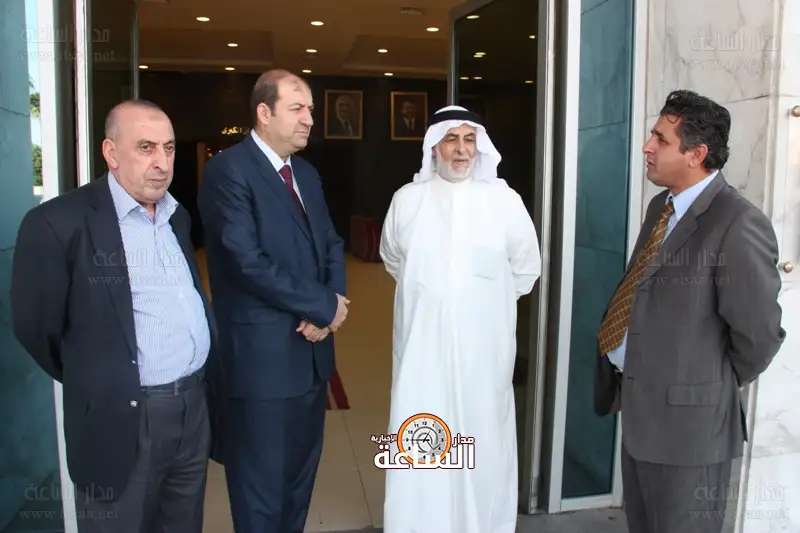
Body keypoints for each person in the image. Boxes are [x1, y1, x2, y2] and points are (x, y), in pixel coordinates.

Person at [11, 99, 220, 533]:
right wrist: (103, 379)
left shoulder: (176, 216)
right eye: (146, 147)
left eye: (168, 148)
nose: (161, 162)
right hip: (122, 420)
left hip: (191, 409)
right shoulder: (58, 222)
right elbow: (38, 330)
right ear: (110, 152)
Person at [594, 90, 786, 533]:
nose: (647, 147)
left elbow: (759, 335)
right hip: (641, 416)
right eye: (652, 135)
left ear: (696, 154)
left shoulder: (737, 222)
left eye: (661, 139)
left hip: (691, 433)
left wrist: (706, 382)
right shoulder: (660, 207)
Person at [197, 69, 348, 533]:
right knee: (260, 489)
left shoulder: (306, 173)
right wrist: (321, 306)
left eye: (311, 110)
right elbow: (247, 262)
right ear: (264, 113)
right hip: (260, 364)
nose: (309, 120)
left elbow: (330, 243)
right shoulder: (228, 171)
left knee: (299, 481)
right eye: (297, 108)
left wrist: (331, 304)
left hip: (311, 359)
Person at [379, 105, 542, 533]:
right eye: (451, 139)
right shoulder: (407, 200)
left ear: (480, 147)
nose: (461, 149)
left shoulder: (504, 202)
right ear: (434, 147)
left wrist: (481, 303)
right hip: (422, 355)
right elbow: (393, 259)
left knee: (483, 441)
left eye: (469, 140)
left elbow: (526, 269)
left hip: (482, 357)